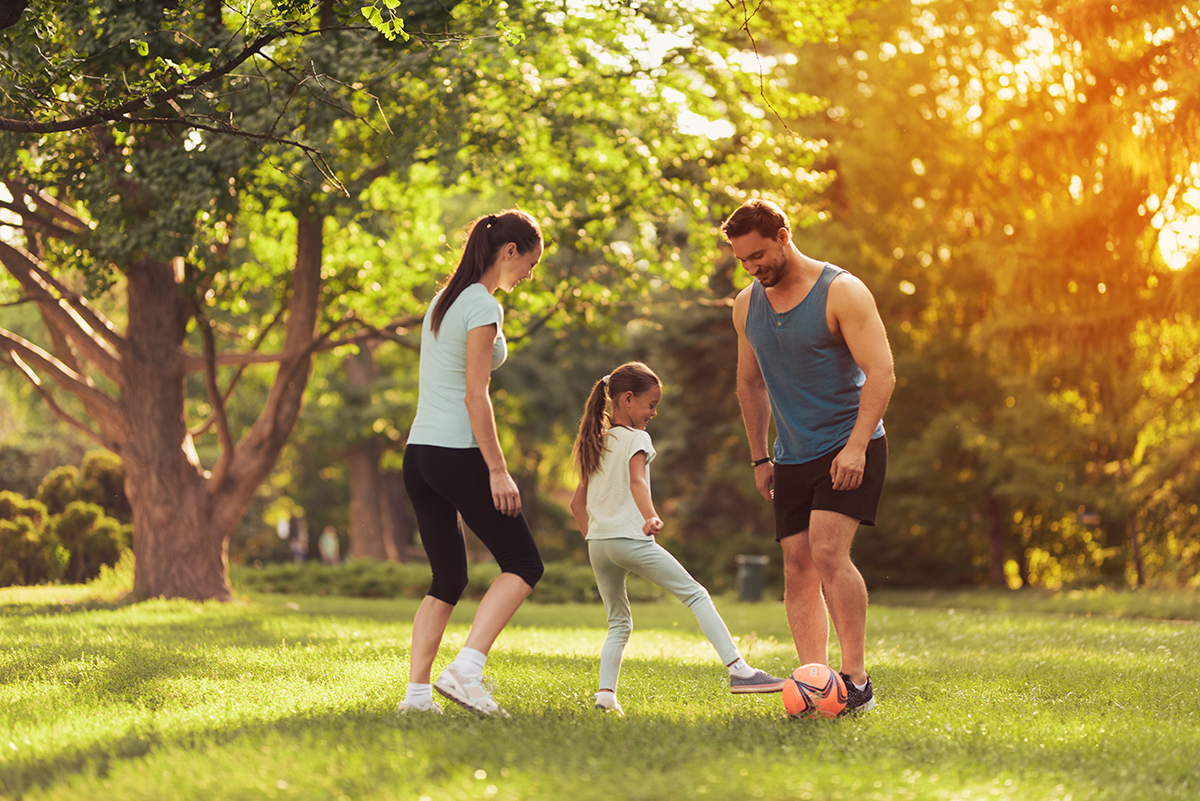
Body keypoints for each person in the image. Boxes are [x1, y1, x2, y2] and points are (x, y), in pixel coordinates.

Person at [723, 198, 895, 716]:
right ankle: (815, 683)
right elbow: (749, 383)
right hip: (791, 454)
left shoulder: (840, 291)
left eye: (758, 255)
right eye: (742, 261)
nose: (753, 268)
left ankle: (856, 679)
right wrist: (759, 457)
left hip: (850, 444)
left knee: (826, 551)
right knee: (796, 565)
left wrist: (857, 447)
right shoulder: (745, 305)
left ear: (783, 235)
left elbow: (882, 373)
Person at [569, 361, 786, 715]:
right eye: (651, 404)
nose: (654, 412)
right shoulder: (637, 438)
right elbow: (637, 481)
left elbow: (578, 503)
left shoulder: (597, 441)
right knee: (696, 595)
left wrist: (597, 538)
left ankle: (605, 697)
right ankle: (740, 671)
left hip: (599, 545)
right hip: (630, 539)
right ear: (626, 399)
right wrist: (650, 516)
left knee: (618, 623)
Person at [397, 210, 546, 717]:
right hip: (455, 454)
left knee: (448, 579)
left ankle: (417, 697)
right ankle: (466, 670)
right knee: (525, 563)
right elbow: (475, 395)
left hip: (419, 455)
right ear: (509, 252)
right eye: (529, 263)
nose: (530, 274)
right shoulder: (481, 305)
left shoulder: (444, 301)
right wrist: (498, 470)